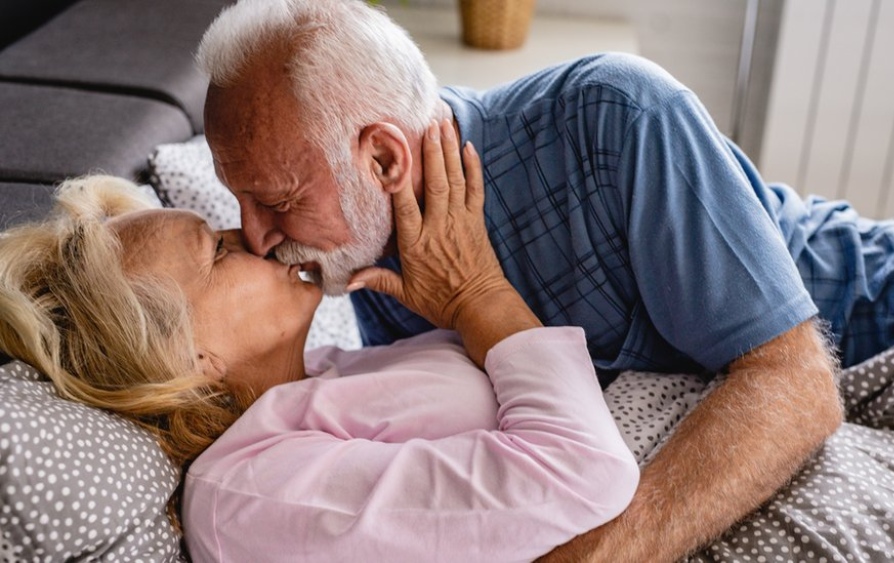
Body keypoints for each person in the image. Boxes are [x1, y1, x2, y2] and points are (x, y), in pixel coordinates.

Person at [195, 0, 851, 559]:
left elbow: (797, 382)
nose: (255, 238)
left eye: (277, 201)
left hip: (884, 295)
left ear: (386, 159)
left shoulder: (614, 115)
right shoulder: (367, 253)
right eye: (239, 201)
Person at [0, 123, 639, 561]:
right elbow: (585, 474)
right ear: (188, 359)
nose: (255, 237)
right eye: (218, 251)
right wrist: (480, 296)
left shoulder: (322, 375)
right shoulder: (254, 493)